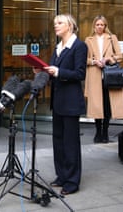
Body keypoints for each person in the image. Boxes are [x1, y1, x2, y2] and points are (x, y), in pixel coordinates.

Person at [41, 14, 87, 195]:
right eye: (54, 23)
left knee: (70, 143)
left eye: (59, 23)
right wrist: (42, 70)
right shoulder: (58, 47)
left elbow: (80, 73)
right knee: (58, 141)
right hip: (58, 101)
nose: (56, 26)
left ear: (70, 26)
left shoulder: (79, 46)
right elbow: (53, 71)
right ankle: (61, 175)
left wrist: (58, 72)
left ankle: (72, 181)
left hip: (71, 101)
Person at [84, 15, 123, 143]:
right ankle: (98, 132)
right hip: (94, 75)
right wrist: (94, 61)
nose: (99, 27)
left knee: (107, 104)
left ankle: (105, 132)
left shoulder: (112, 38)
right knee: (97, 105)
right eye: (97, 24)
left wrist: (108, 59)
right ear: (94, 26)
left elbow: (119, 56)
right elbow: (84, 59)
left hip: (109, 74)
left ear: (105, 26)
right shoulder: (88, 39)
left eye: (102, 24)